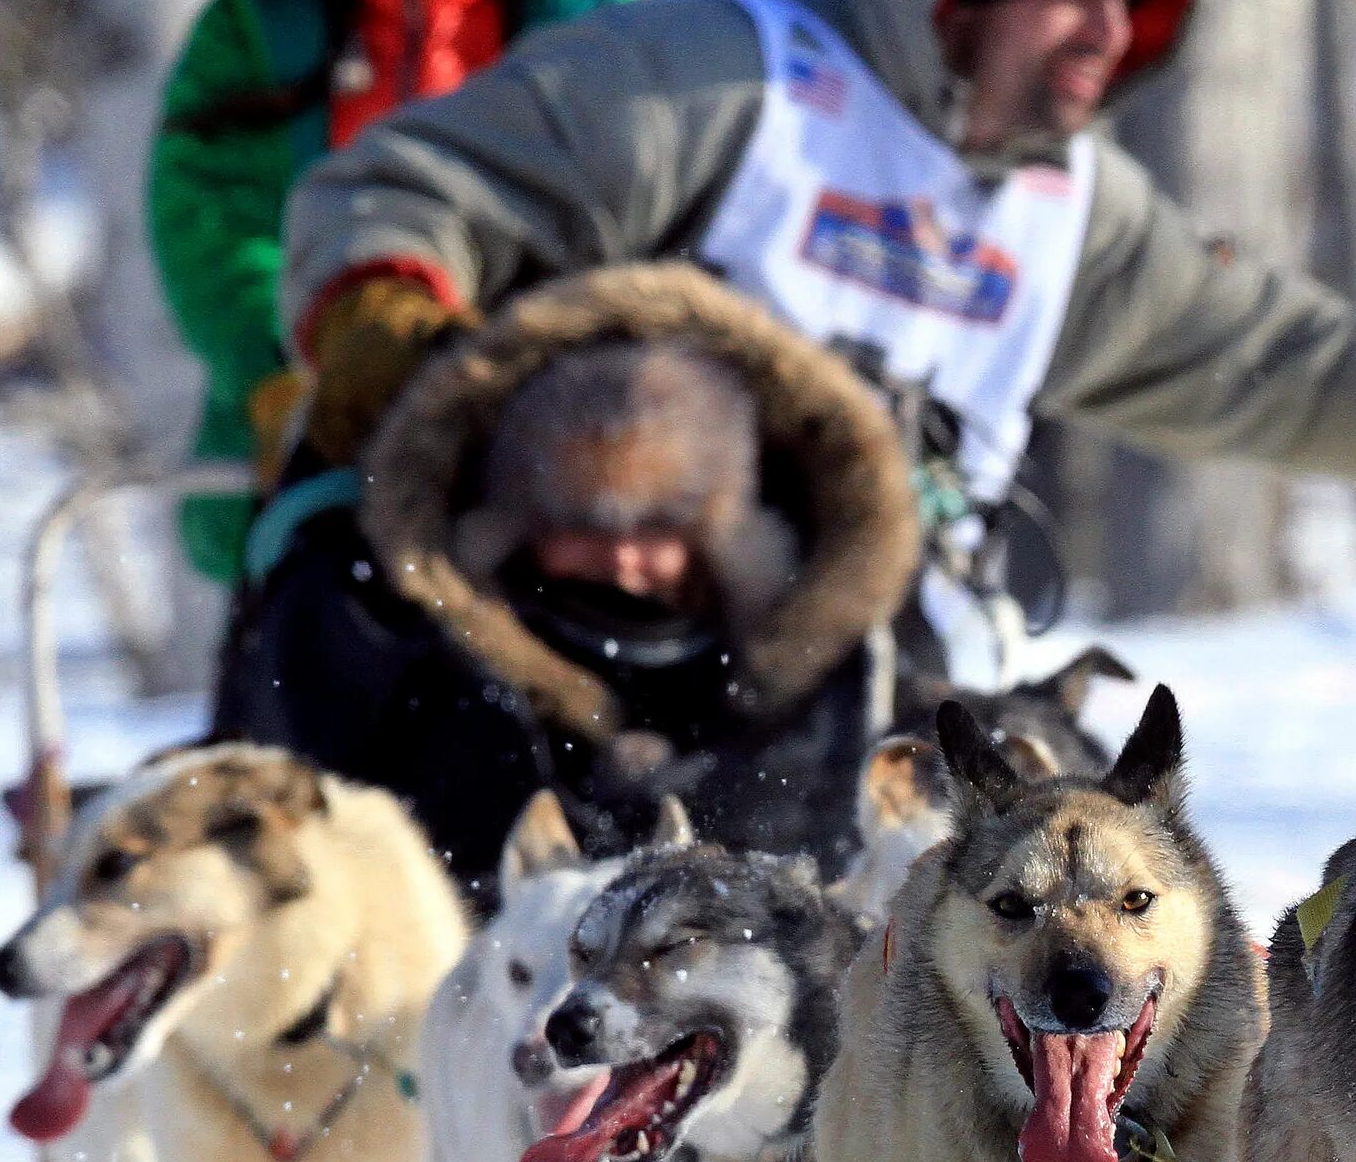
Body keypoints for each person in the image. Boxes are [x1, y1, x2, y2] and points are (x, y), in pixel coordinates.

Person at [269, 0, 1356, 582]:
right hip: (604, 590)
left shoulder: (1073, 212)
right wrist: (380, 314)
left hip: (875, 665)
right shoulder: (723, 80)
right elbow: (411, 185)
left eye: (1136, 3)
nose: (1110, 33)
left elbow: (1273, 366)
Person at [220, 264, 924, 887]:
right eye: (587, 531)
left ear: (721, 539)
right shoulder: (420, 661)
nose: (622, 561)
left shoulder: (807, 680)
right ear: (517, 530)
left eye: (656, 530)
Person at [148, 0, 638, 584]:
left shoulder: (604, 24)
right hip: (311, 436)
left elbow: (643, 218)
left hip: (552, 461)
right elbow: (208, 218)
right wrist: (282, 374)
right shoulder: (259, 17)